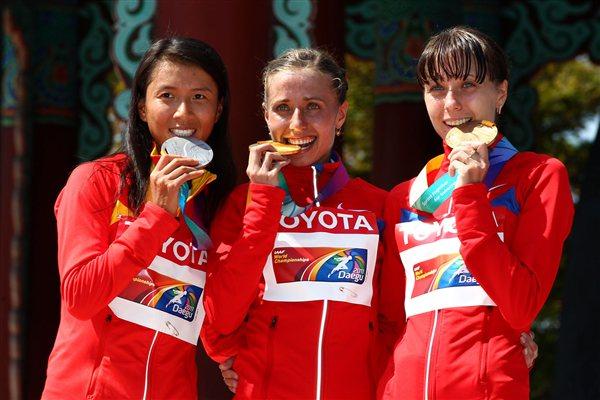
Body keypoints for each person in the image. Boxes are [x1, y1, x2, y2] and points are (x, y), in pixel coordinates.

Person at [377, 26, 574, 399]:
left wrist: (470, 195)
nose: (451, 103)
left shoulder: (538, 176)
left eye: (467, 84)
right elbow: (389, 322)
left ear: (500, 93)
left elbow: (520, 307)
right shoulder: (405, 196)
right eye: (436, 88)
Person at [42, 37, 236, 399]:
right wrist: (156, 216)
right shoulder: (96, 181)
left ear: (218, 109)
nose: (183, 113)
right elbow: (81, 297)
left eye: (199, 97)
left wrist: (235, 353)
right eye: (167, 96)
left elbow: (218, 312)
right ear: (143, 108)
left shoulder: (216, 203)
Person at [200, 48, 389, 399]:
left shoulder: (378, 205)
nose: (297, 124)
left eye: (314, 106)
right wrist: (264, 201)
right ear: (266, 116)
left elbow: (401, 317)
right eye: (283, 108)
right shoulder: (243, 203)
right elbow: (217, 320)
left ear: (341, 115)